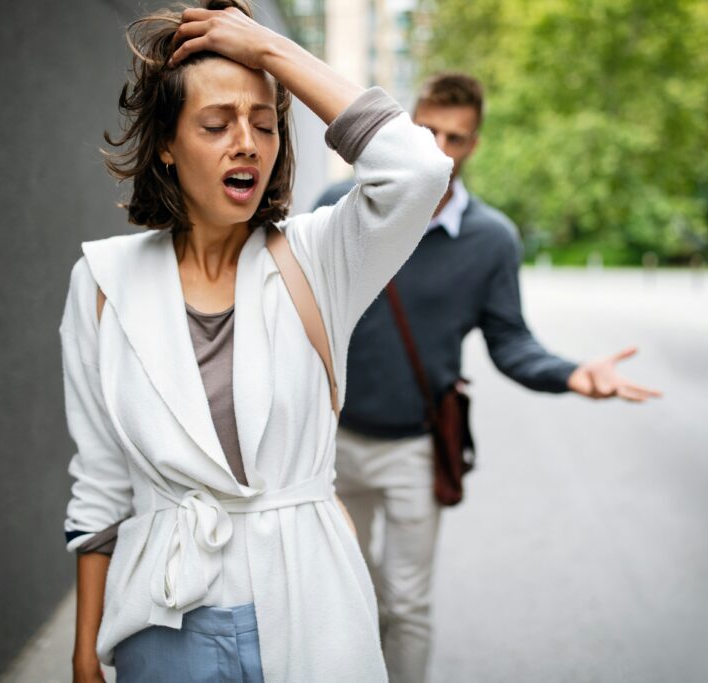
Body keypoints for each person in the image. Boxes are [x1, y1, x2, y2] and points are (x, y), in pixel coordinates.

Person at [59, 2, 452, 682]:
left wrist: (271, 51)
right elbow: (99, 486)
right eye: (216, 124)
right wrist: (85, 650)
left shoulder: (320, 257)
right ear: (166, 144)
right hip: (163, 618)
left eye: (265, 124)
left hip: (312, 609)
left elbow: (418, 171)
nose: (246, 142)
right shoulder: (101, 282)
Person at [313, 72, 662, 683]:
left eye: (456, 137)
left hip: (418, 448)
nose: (440, 148)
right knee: (341, 596)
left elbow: (510, 343)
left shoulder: (491, 241)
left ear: (473, 144)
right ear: (406, 128)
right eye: (428, 131)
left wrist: (572, 372)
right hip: (330, 446)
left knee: (406, 603)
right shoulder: (339, 209)